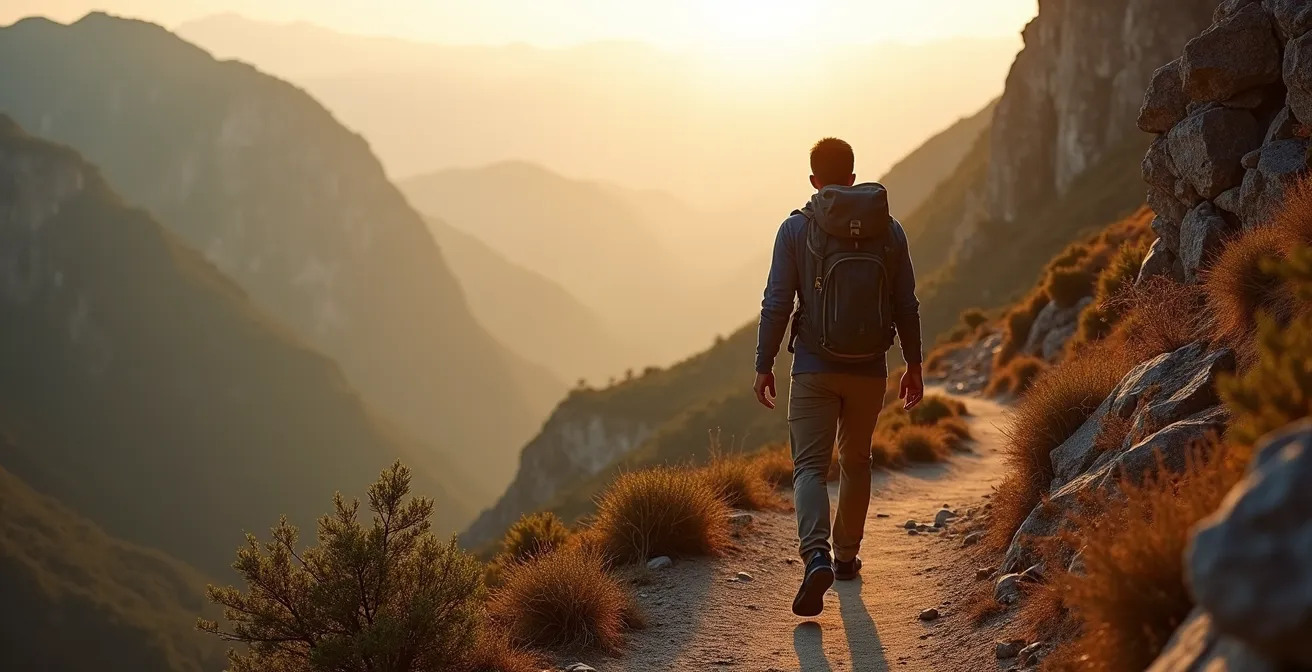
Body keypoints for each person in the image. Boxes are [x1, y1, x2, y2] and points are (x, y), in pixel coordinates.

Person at [753, 137, 924, 617]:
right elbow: (906, 304)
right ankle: (846, 558)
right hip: (869, 368)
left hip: (812, 367)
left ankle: (816, 557)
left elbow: (777, 303)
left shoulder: (795, 230)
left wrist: (764, 364)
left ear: (814, 181)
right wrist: (913, 364)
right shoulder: (889, 231)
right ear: (851, 177)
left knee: (809, 466)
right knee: (857, 460)